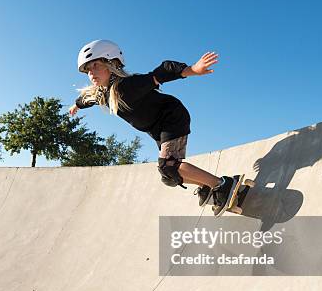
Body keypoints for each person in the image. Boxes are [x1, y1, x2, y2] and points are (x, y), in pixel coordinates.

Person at [69, 39, 237, 214]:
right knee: (168, 177)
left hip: (171, 117)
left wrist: (192, 70)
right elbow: (86, 99)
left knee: (168, 166)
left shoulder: (128, 86)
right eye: (88, 70)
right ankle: (207, 185)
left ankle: (223, 185)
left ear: (112, 63)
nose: (91, 73)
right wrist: (76, 106)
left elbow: (161, 72)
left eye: (95, 65)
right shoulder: (101, 94)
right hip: (158, 130)